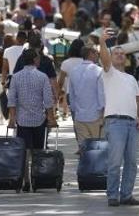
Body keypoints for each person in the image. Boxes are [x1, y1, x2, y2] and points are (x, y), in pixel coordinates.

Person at [98, 29, 139, 206]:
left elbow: (138, 101)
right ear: (111, 57)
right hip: (115, 122)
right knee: (115, 162)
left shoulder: (131, 78)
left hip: (132, 124)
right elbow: (103, 58)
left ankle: (126, 195)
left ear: (126, 58)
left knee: (132, 163)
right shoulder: (108, 72)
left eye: (121, 53)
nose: (119, 55)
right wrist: (102, 43)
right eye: (115, 53)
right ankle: (112, 195)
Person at [7, 49, 57, 192]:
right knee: (37, 152)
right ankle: (37, 177)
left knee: (24, 152)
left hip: (22, 120)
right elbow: (48, 101)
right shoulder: (42, 77)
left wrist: (12, 119)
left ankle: (26, 181)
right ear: (35, 59)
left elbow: (12, 100)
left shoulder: (15, 77)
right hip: (39, 120)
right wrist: (51, 118)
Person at [68, 45, 105, 146]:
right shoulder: (98, 71)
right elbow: (101, 94)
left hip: (79, 116)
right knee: (96, 148)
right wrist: (103, 114)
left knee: (84, 147)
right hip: (95, 115)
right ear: (91, 54)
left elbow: (71, 95)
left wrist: (74, 111)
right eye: (96, 53)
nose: (98, 55)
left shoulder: (74, 71)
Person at [56, 39, 85, 120]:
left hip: (70, 94)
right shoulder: (86, 62)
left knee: (75, 118)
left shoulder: (66, 63)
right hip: (85, 93)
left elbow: (60, 82)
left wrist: (57, 95)